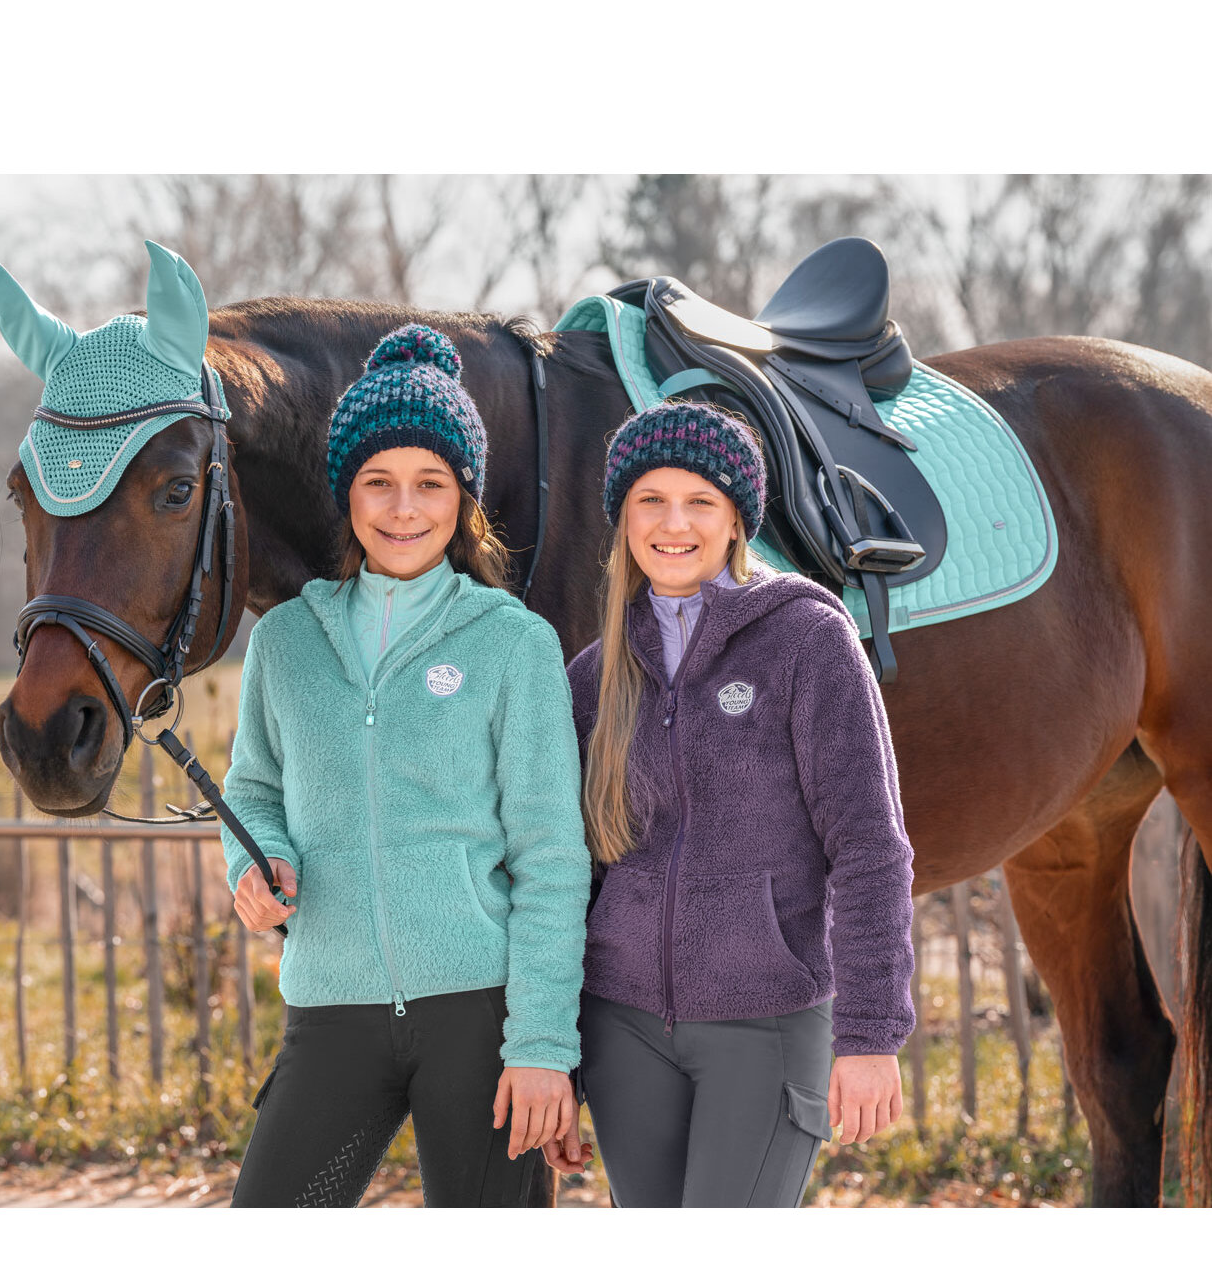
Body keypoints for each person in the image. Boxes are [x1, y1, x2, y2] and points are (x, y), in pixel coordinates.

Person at [222, 323, 592, 1207]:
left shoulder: (512, 644)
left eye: (431, 483)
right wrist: (253, 862)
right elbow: (253, 790)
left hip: (479, 1016)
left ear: (464, 497)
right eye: (378, 482)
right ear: (345, 493)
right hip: (330, 1010)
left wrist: (543, 1046)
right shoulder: (284, 642)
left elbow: (550, 857)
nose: (403, 509)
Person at [555, 399, 915, 1207]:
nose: (673, 523)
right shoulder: (594, 676)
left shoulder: (807, 642)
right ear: (622, 518)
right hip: (621, 1027)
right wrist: (556, 1051)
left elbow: (870, 847)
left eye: (700, 501)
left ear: (735, 521)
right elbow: (567, 873)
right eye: (651, 499)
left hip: (766, 1021)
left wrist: (869, 1032)